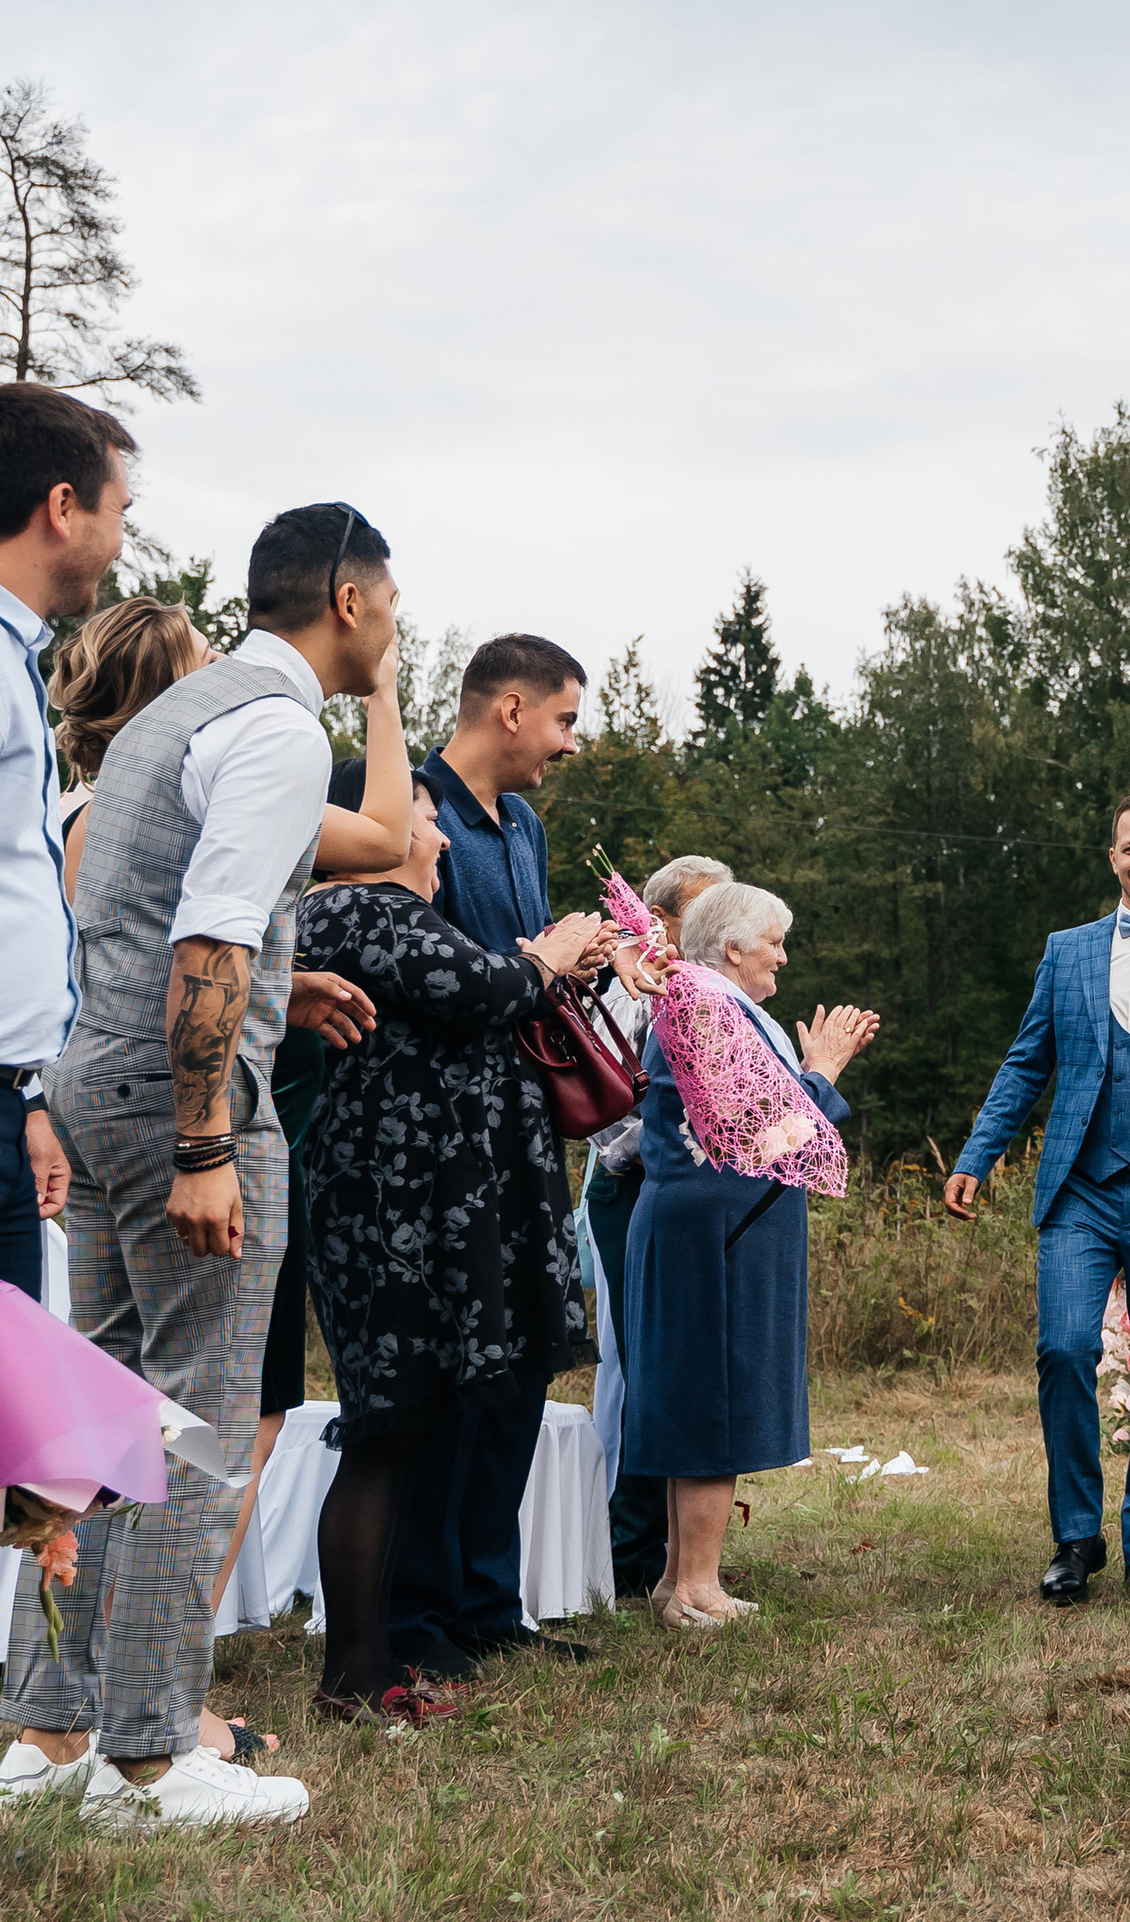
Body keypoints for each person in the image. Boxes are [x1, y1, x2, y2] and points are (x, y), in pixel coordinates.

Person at [3, 500, 397, 1831]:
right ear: (348, 598)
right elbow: (213, 945)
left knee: (101, 1417)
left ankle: (48, 1728)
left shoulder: (184, 713)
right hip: (181, 1094)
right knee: (201, 1430)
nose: (393, 627)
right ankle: (150, 1760)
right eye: (391, 602)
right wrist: (209, 1140)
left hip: (87, 1072)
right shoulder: (279, 726)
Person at [295, 766, 604, 1717]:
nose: (430, 839)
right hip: (394, 1220)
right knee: (388, 1429)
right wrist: (548, 954)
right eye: (419, 823)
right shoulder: (359, 912)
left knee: (410, 1425)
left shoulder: (385, 914)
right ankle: (357, 1667)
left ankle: (377, 1656)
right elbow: (481, 988)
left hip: (428, 1212)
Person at [943, 794, 1130, 1607]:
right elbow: (1025, 1064)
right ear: (1111, 856)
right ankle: (1077, 1536)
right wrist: (980, 1152)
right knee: (1065, 1350)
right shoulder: (1068, 951)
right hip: (1080, 1187)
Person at [393, 632, 607, 1679]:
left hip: (529, 1123)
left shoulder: (521, 824)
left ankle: (488, 1599)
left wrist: (585, 965)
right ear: (511, 709)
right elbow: (426, 976)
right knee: (456, 1367)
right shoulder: (406, 809)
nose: (571, 741)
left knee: (523, 1356)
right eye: (564, 717)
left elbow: (531, 982)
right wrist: (539, 959)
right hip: (443, 1133)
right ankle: (424, 1616)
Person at [620, 881, 874, 1625]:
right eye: (774, 941)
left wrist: (811, 1076)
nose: (784, 957)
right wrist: (823, 1072)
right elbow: (764, 1127)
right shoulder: (703, 1003)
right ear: (731, 947)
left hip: (711, 1224)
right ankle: (696, 1588)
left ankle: (678, 1576)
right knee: (709, 1398)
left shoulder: (706, 1000)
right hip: (714, 1232)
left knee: (700, 1391)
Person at [0, 391, 128, 1315]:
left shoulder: (18, 659)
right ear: (61, 507)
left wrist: (30, 1098)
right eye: (119, 511)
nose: (119, 541)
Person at [587, 855, 732, 1600]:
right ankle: (629, 1551)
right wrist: (692, 1137)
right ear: (664, 918)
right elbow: (610, 1117)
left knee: (678, 1364)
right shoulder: (631, 986)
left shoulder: (705, 989)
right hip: (635, 1189)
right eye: (703, 911)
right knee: (643, 1367)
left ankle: (680, 1550)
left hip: (690, 1194)